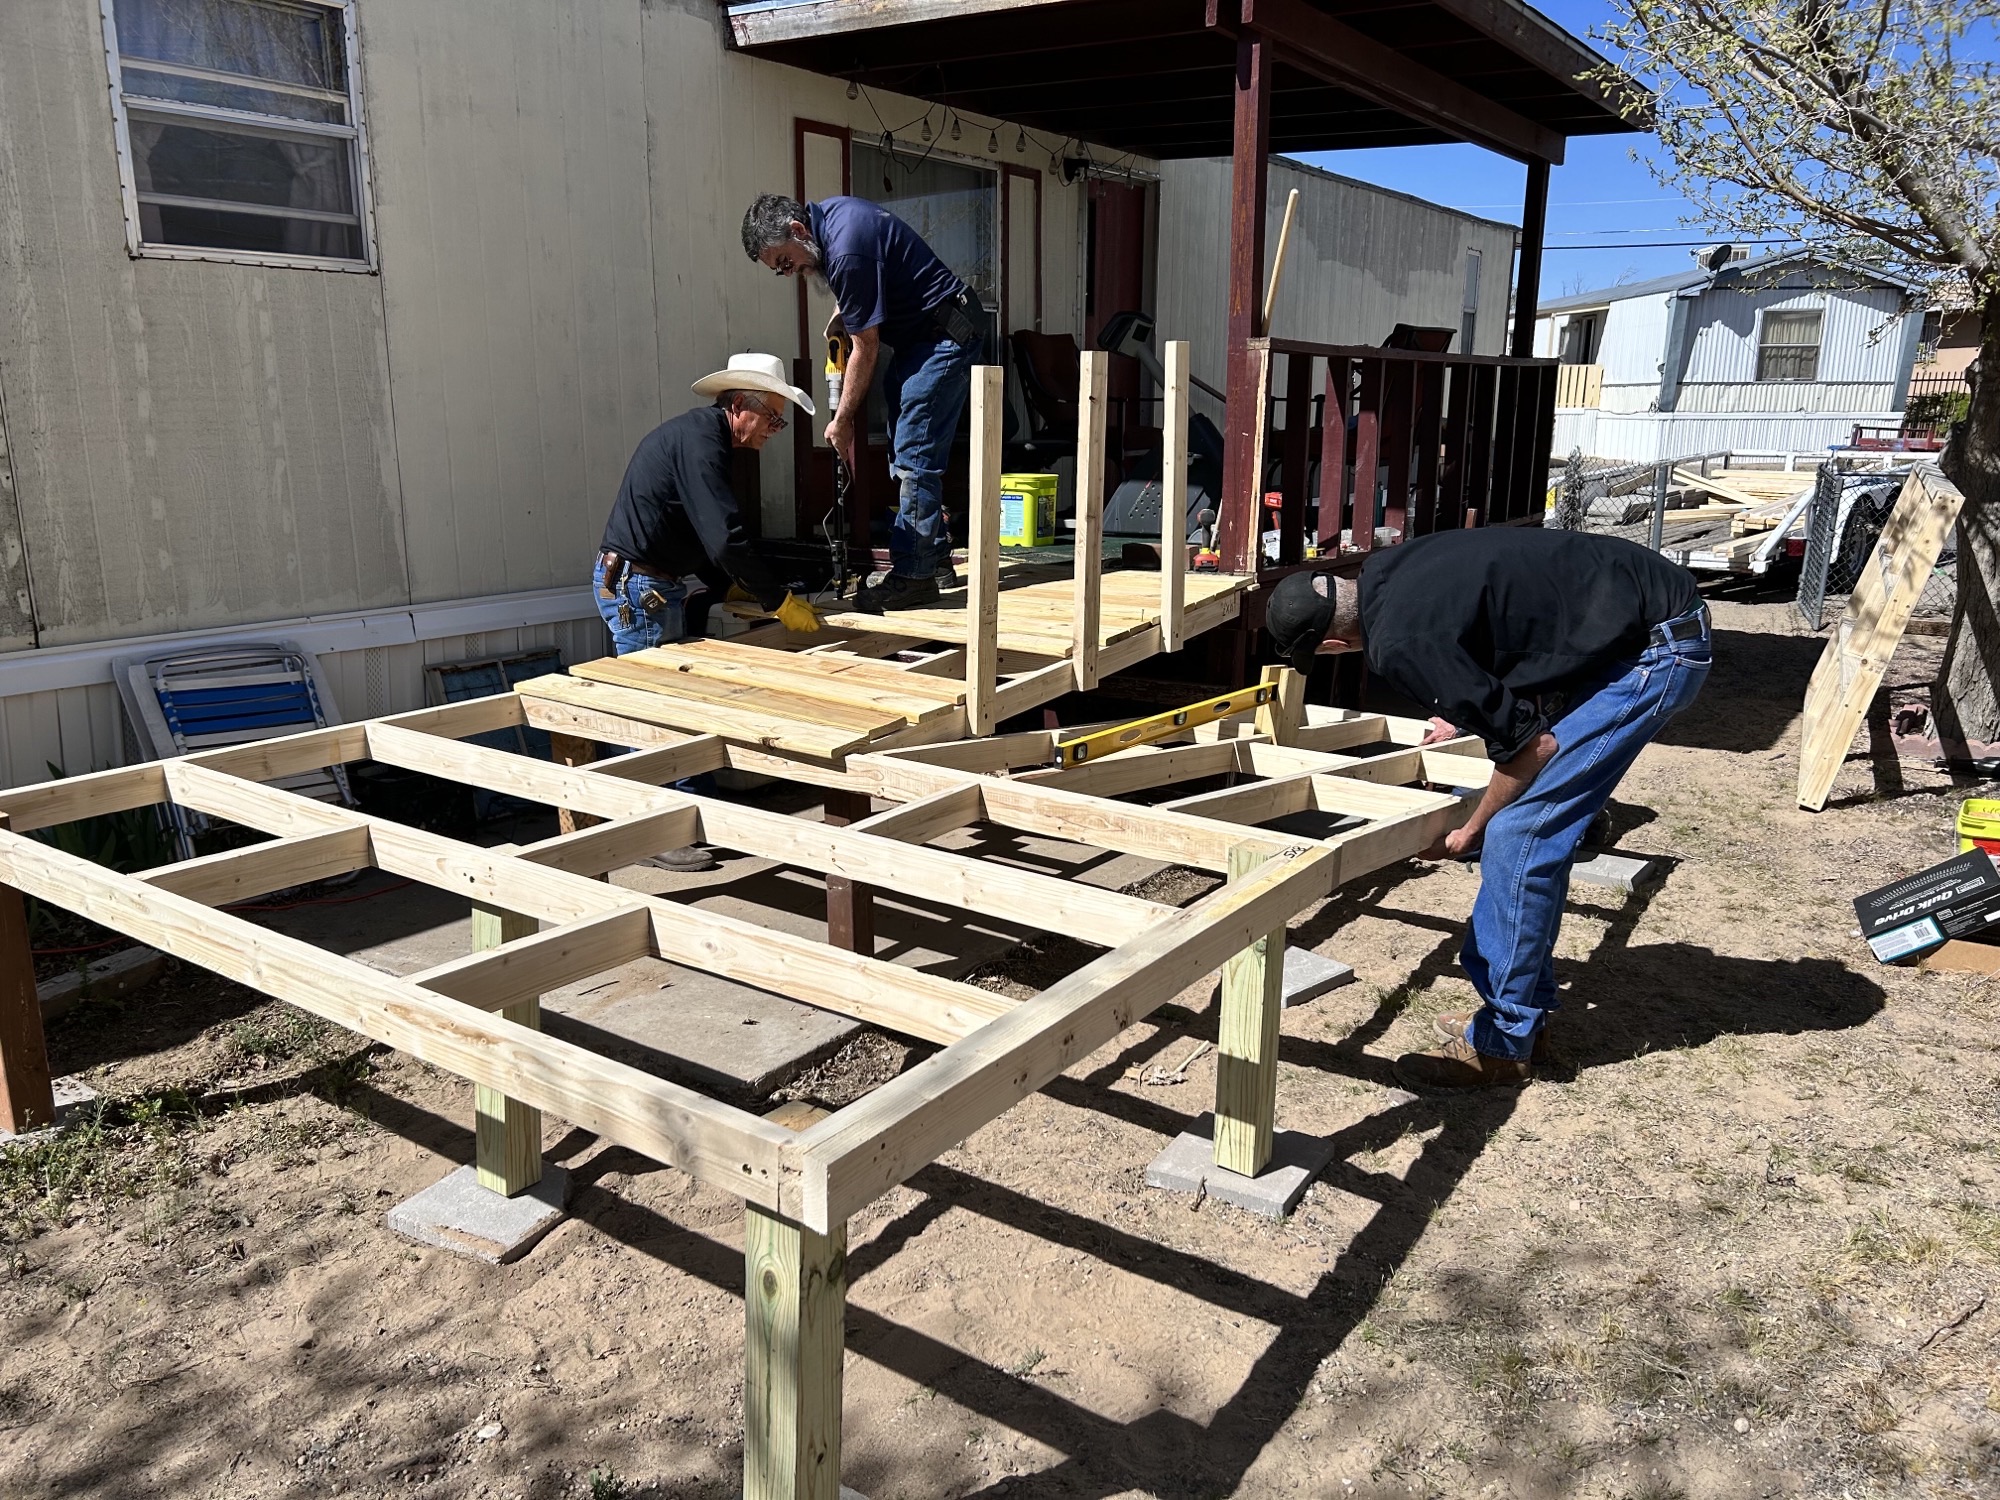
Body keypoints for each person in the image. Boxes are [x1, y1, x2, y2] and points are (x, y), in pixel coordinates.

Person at [1263, 528, 1711, 1091]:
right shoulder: (1389, 570)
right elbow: (1502, 625)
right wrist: (1461, 703)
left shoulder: (1398, 641)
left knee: (1519, 836)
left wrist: (1468, 829)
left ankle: (1503, 1042)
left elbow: (1532, 750)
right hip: (1629, 617)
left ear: (1329, 645)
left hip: (1650, 650)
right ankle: (1525, 1014)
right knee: (1529, 833)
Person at [594, 352, 824, 871]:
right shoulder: (701, 443)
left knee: (678, 704)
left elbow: (701, 532)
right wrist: (775, 600)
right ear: (742, 405)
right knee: (651, 712)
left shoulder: (704, 438)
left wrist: (730, 589)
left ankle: (699, 812)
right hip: (639, 589)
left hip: (653, 584)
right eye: (773, 418)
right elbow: (723, 537)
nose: (774, 431)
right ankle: (647, 831)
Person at [741, 192, 983, 612]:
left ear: (797, 231)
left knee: (914, 452)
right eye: (779, 270)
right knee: (906, 441)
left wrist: (843, 419)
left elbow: (865, 347)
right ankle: (934, 557)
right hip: (919, 339)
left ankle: (915, 577)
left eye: (784, 261)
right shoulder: (830, 220)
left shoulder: (846, 243)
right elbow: (864, 283)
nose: (789, 272)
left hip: (945, 336)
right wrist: (844, 311)